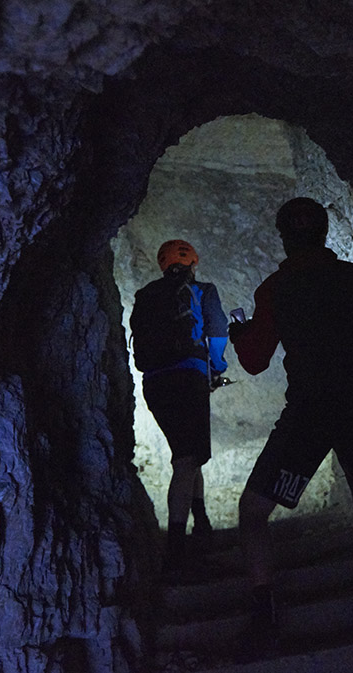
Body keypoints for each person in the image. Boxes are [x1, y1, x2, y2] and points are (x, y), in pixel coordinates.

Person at [228, 198, 353, 672]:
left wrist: (239, 333)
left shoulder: (277, 288)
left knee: (254, 511)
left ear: (284, 236)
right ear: (326, 233)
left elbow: (253, 360)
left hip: (310, 417)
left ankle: (265, 615)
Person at [130, 239, 229, 583]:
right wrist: (216, 368)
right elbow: (217, 332)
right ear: (193, 262)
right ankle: (176, 548)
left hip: (155, 384)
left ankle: (200, 521)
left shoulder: (146, 294)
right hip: (189, 378)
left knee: (187, 451)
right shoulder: (203, 290)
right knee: (187, 460)